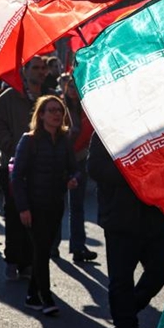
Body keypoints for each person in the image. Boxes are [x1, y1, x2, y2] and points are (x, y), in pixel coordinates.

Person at [88, 133, 164, 328]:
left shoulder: (156, 126)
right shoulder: (105, 130)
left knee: (161, 270)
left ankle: (128, 308)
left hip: (155, 216)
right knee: (121, 280)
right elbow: (95, 168)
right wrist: (134, 172)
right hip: (120, 219)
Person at [11, 95, 77, 316]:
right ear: (41, 115)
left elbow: (73, 167)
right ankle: (46, 296)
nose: (57, 114)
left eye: (59, 110)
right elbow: (17, 177)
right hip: (34, 205)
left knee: (44, 250)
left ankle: (31, 295)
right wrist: (23, 208)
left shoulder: (64, 139)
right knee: (40, 250)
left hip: (55, 204)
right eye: (51, 110)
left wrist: (72, 178)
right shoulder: (29, 140)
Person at [0, 56, 50, 280]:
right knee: (15, 215)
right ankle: (13, 259)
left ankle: (29, 262)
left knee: (37, 217)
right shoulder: (8, 98)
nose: (41, 72)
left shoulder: (48, 97)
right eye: (36, 68)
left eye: (43, 68)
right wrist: (15, 146)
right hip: (13, 167)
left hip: (42, 168)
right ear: (25, 71)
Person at [56, 77, 97, 262]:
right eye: (70, 86)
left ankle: (78, 247)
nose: (73, 89)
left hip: (79, 161)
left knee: (77, 206)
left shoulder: (86, 108)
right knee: (56, 206)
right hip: (59, 162)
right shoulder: (58, 107)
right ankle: (52, 245)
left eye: (76, 86)